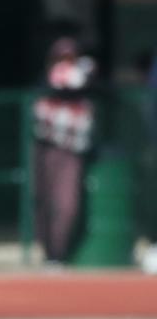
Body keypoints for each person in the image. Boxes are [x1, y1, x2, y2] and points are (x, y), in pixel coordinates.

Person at [32, 37, 94, 266]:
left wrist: (82, 75)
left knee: (67, 204)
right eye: (61, 57)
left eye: (70, 57)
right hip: (46, 145)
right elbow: (46, 90)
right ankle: (48, 252)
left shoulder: (85, 73)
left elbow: (90, 87)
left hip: (73, 148)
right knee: (43, 201)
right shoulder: (45, 77)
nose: (66, 62)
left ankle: (59, 253)